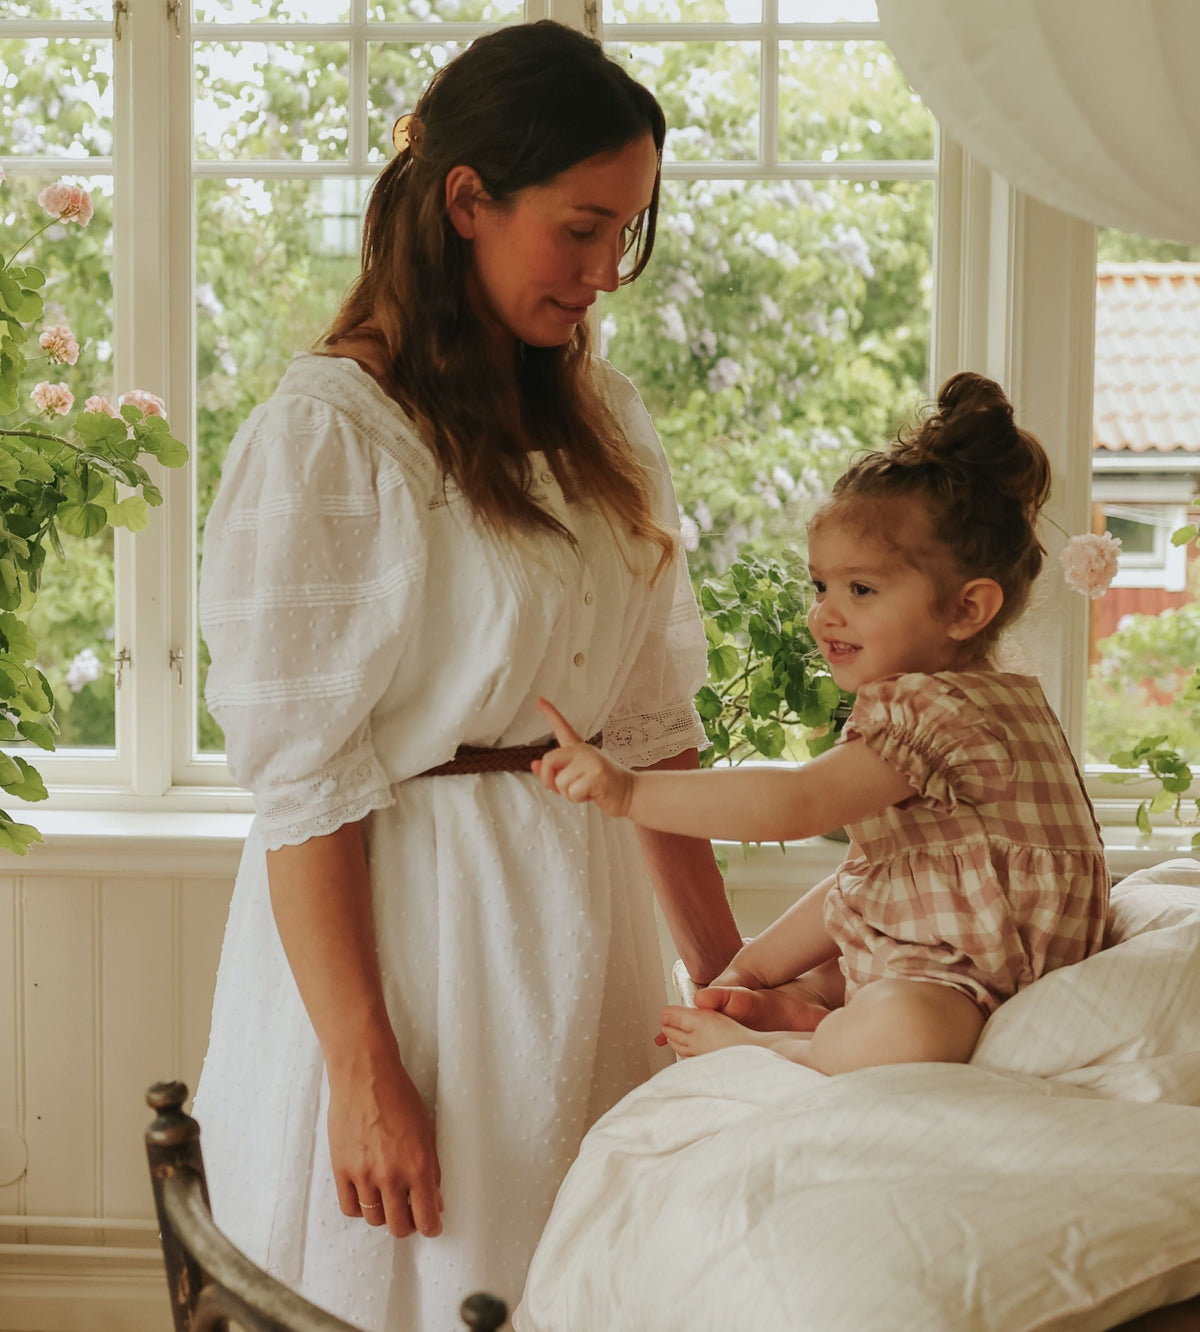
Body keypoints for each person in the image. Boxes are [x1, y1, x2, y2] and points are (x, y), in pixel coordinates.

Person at [191, 21, 741, 1331]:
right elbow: (304, 784)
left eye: (631, 234)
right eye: (582, 226)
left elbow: (655, 726)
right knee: (436, 1283)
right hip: (419, 937)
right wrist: (361, 1067)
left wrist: (722, 974)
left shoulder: (603, 425)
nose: (608, 270)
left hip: (587, 919)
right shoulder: (332, 434)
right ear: (466, 202)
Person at [536, 372, 1110, 1077]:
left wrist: (631, 795)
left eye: (860, 590)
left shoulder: (940, 712)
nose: (824, 613)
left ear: (967, 609)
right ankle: (801, 1003)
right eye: (820, 585)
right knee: (889, 995)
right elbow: (867, 877)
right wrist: (747, 970)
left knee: (905, 1029)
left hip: (963, 971)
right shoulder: (995, 699)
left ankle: (782, 1043)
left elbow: (794, 802)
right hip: (950, 968)